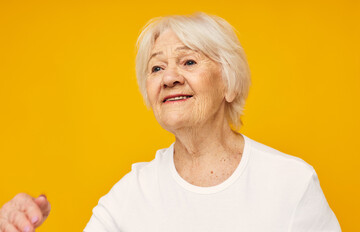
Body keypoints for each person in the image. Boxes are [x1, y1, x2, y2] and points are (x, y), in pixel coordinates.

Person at [0, 12, 341, 232]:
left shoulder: (291, 183)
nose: (169, 78)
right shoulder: (129, 196)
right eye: (156, 68)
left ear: (229, 82)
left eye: (189, 61)